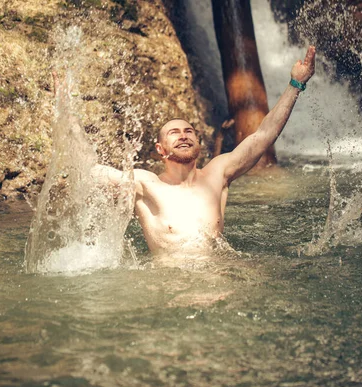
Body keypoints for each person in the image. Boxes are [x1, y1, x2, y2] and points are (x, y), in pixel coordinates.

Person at [68, 46, 315, 256]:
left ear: (198, 143)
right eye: (173, 133)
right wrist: (66, 113)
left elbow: (263, 136)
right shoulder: (144, 184)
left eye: (188, 131)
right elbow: (88, 169)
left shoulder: (218, 174)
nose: (183, 135)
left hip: (221, 281)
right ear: (160, 148)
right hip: (172, 291)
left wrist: (296, 84)